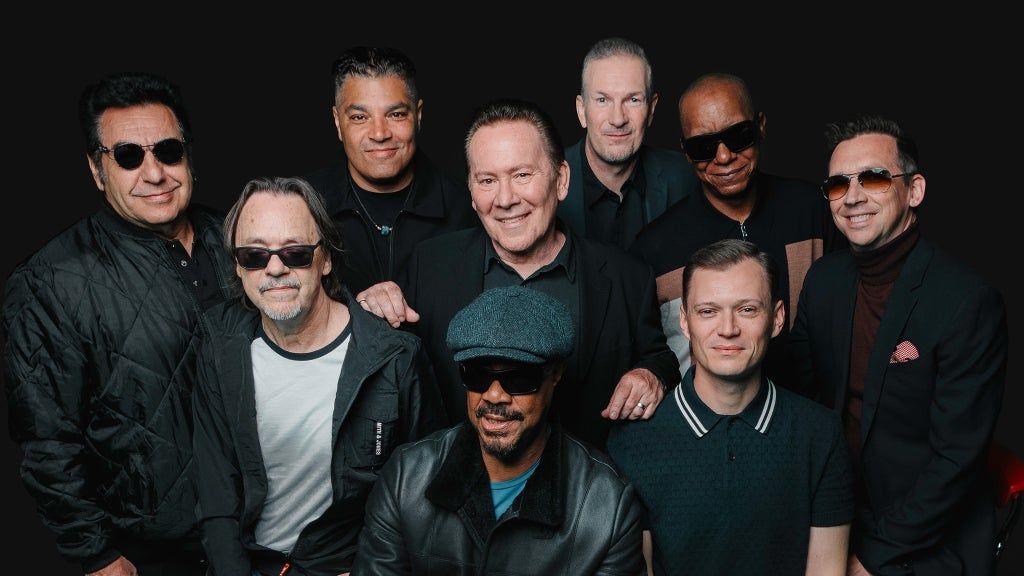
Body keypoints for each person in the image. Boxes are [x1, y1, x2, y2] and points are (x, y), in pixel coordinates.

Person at [2, 73, 234, 575]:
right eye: (128, 156)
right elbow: (47, 440)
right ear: (97, 169)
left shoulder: (240, 238)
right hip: (154, 556)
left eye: (168, 151)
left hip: (259, 539)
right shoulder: (51, 280)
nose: (155, 173)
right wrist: (96, 554)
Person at [355, 99, 678, 448]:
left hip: (588, 477)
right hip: (461, 477)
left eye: (522, 175)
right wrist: (369, 312)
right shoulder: (430, 265)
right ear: (472, 192)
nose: (505, 198)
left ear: (561, 180)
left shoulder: (627, 277)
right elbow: (390, 369)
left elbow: (660, 356)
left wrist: (652, 374)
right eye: (487, 180)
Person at [193, 177, 445, 576]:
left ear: (325, 258)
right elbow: (216, 493)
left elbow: (426, 494)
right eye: (254, 255)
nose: (275, 268)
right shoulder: (220, 346)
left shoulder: (394, 357)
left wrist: (370, 570)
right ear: (238, 267)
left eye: (295, 252)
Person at [791, 115, 1007, 576]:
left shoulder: (966, 301)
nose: (852, 197)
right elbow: (799, 400)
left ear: (914, 191)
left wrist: (871, 558)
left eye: (873, 178)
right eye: (838, 184)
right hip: (835, 511)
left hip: (927, 533)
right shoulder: (823, 281)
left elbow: (955, 462)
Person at [353, 286, 643, 574]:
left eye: (518, 379)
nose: (494, 395)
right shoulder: (405, 478)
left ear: (555, 375)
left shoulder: (608, 506)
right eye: (477, 375)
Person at [608, 239, 853, 575]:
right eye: (708, 311)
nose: (728, 329)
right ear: (685, 322)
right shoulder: (633, 442)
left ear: (777, 318)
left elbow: (826, 570)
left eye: (747, 310)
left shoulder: (820, 434)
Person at [630, 73, 840, 386]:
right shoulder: (653, 250)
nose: (724, 156)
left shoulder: (816, 211)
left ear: (761, 126)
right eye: (703, 146)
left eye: (739, 135)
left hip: (812, 406)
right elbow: (650, 356)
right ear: (686, 150)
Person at [306, 46, 476, 295]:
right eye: (359, 117)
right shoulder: (303, 207)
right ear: (337, 122)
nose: (379, 134)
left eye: (395, 114)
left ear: (418, 115)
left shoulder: (466, 209)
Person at [558, 37, 698, 250]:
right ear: (581, 110)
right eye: (602, 100)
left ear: (651, 110)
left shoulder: (686, 177)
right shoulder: (546, 182)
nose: (618, 119)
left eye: (633, 100)